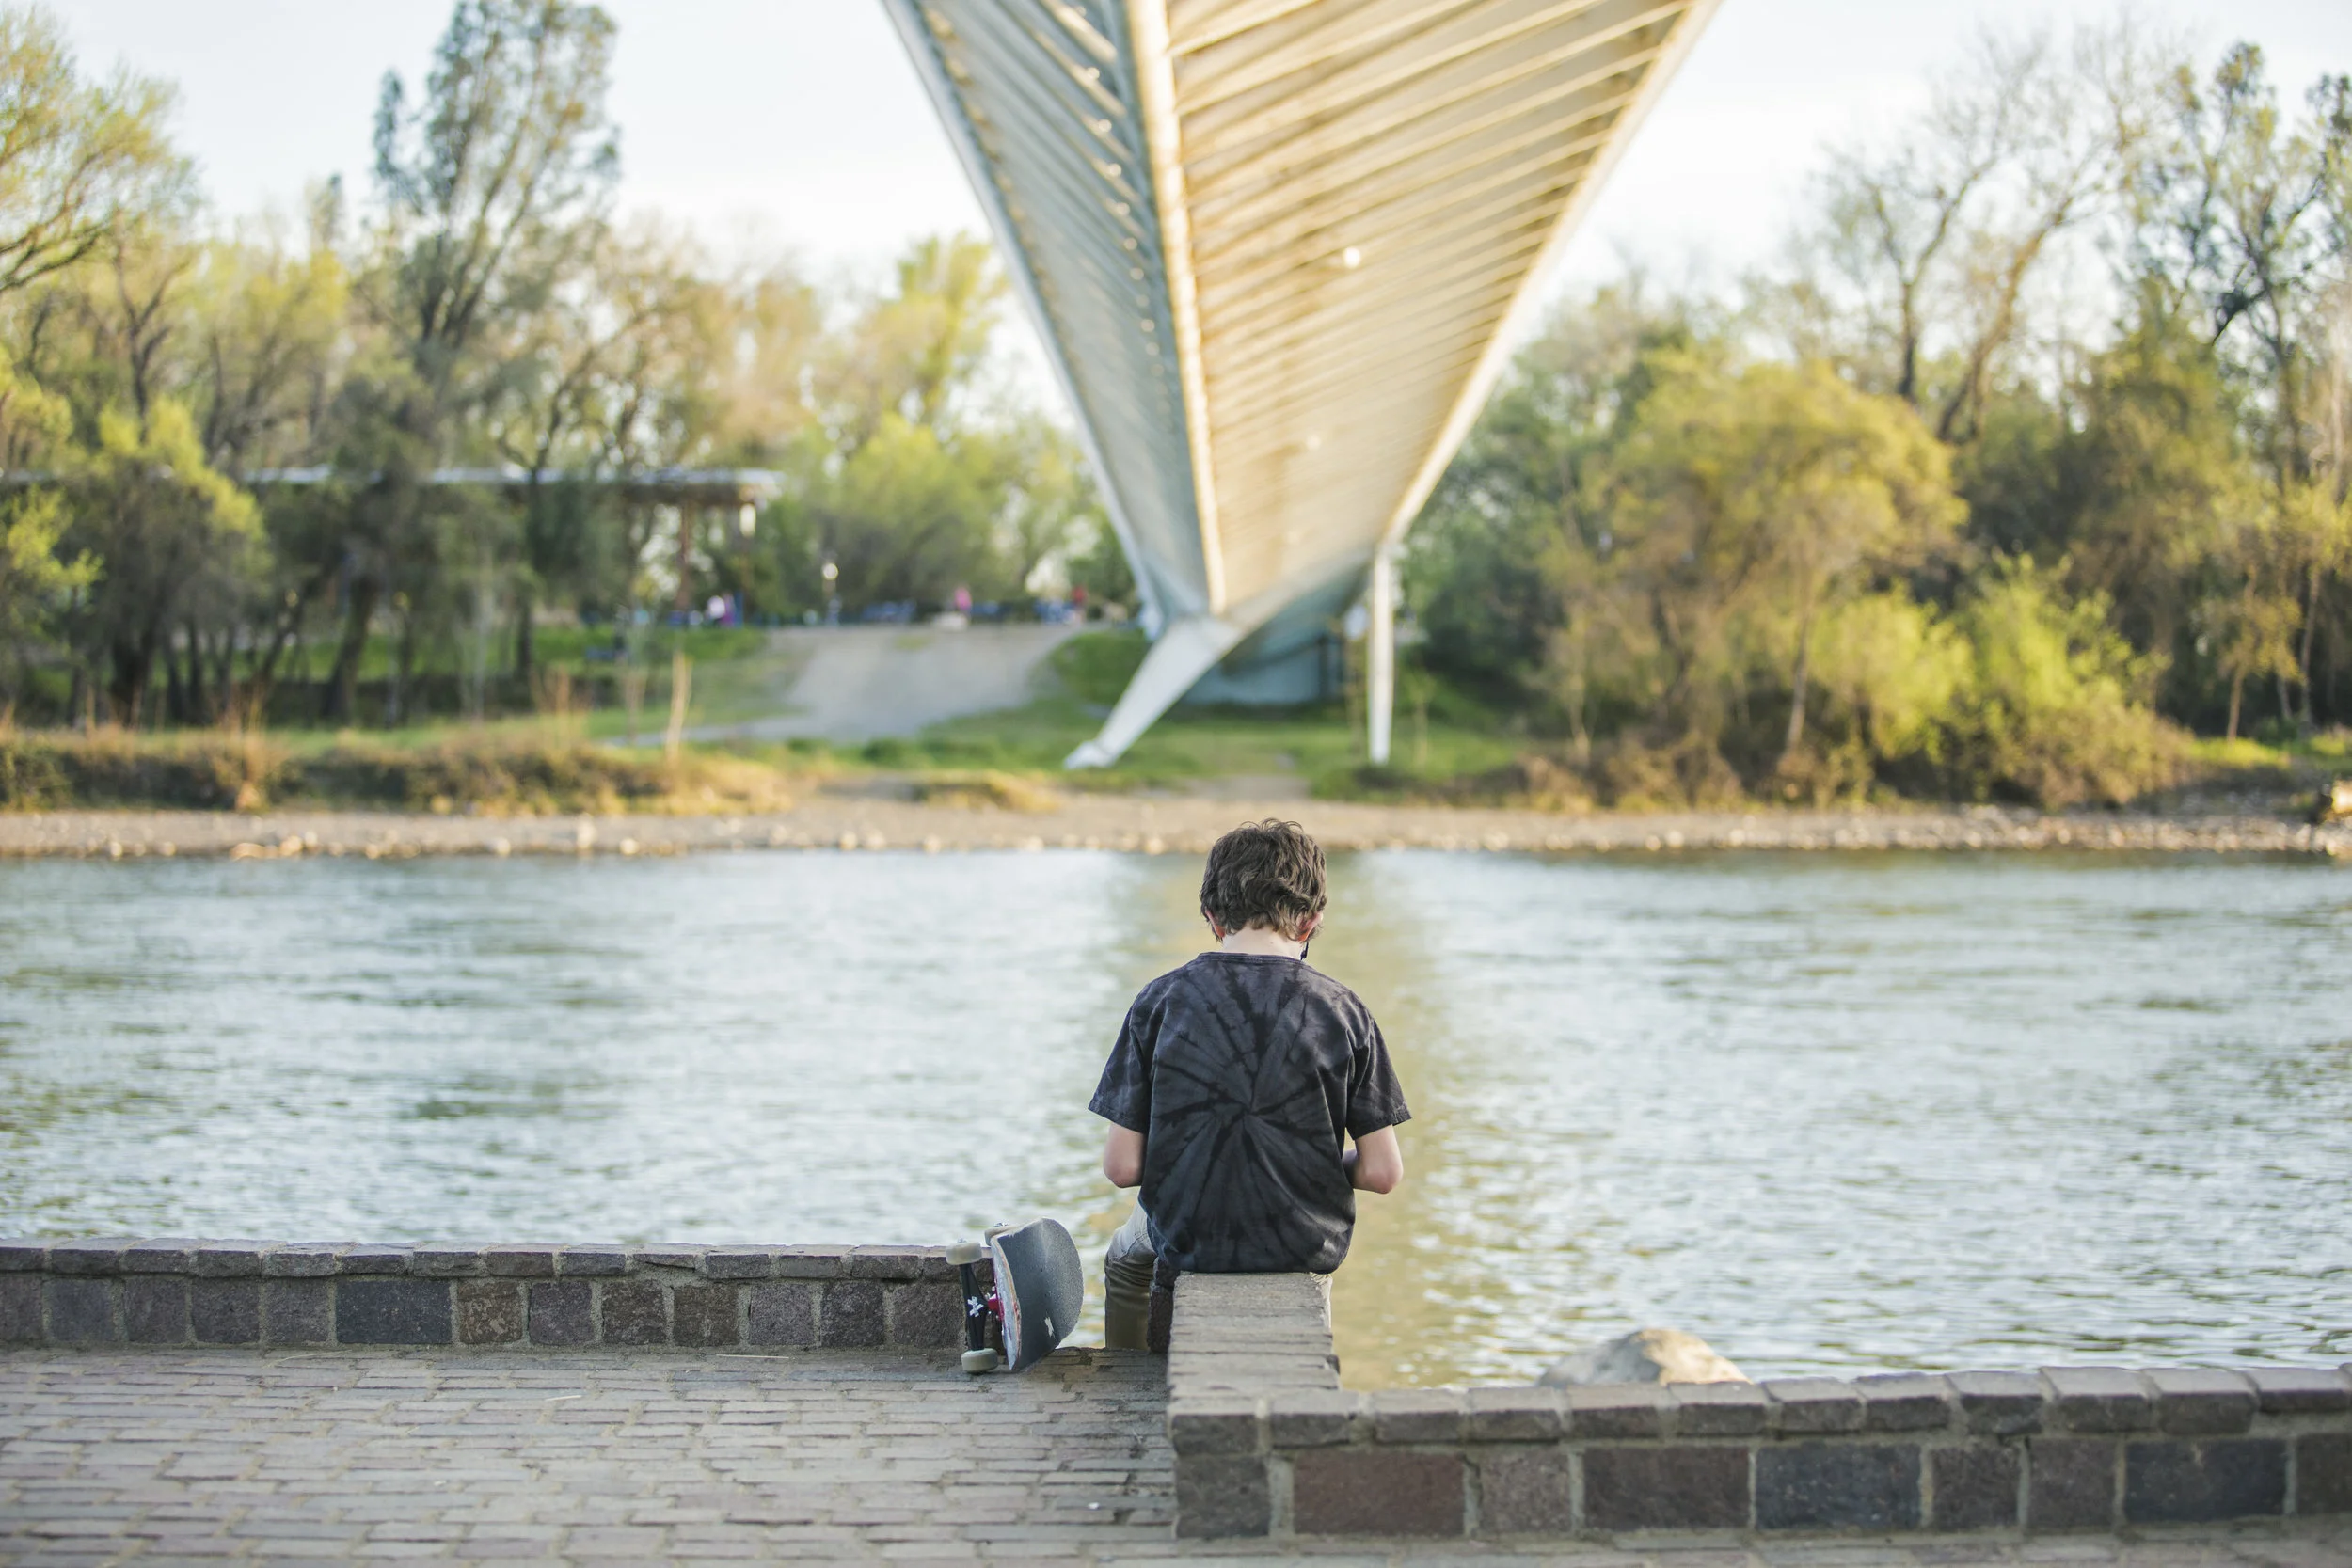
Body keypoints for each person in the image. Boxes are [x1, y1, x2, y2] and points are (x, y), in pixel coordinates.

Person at [1089, 818, 1409, 1349]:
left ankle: (1125, 1373)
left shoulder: (1159, 1002)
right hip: (1301, 1243)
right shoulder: (1344, 1012)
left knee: (1124, 1260)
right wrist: (1310, 1160)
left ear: (1212, 918)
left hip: (1190, 1240)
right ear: (1310, 924)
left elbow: (1122, 1169)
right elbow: (1382, 1172)